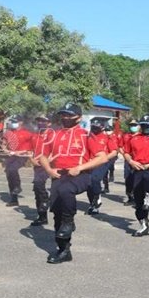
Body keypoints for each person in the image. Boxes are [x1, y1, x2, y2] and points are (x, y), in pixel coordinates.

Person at [37, 103, 108, 264]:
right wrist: (49, 170)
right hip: (58, 175)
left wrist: (80, 167)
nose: (66, 118)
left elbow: (102, 157)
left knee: (66, 191)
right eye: (63, 115)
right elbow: (42, 155)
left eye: (70, 115)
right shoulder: (53, 135)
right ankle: (64, 250)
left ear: (79, 118)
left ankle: (69, 221)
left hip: (80, 174)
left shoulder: (86, 135)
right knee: (56, 212)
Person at [85, 117, 118, 215]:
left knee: (95, 178)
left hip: (103, 162)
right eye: (93, 127)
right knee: (89, 184)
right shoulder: (88, 138)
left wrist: (104, 159)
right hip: (90, 163)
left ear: (102, 127)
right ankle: (93, 204)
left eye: (97, 127)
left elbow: (114, 152)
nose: (95, 129)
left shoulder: (107, 138)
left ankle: (97, 197)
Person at [2, 116, 34, 206]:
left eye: (15, 121)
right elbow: (3, 144)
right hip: (11, 155)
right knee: (9, 173)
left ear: (21, 122)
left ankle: (17, 187)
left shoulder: (27, 134)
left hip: (22, 156)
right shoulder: (8, 133)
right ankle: (14, 199)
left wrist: (22, 152)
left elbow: (33, 146)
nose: (12, 123)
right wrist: (6, 151)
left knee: (12, 169)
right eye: (11, 121)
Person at [29, 116, 55, 226]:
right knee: (37, 187)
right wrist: (31, 160)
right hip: (38, 165)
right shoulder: (35, 135)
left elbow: (57, 149)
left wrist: (49, 160)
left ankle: (48, 202)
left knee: (58, 190)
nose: (40, 123)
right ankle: (42, 215)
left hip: (52, 164)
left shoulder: (53, 135)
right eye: (39, 121)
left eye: (43, 121)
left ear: (49, 123)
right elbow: (29, 150)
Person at [120, 118, 140, 206]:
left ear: (139, 126)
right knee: (128, 179)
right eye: (131, 125)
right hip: (128, 160)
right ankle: (130, 197)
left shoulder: (141, 136)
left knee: (138, 179)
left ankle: (138, 198)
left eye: (135, 125)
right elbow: (120, 147)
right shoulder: (125, 136)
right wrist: (125, 155)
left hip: (138, 160)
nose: (133, 127)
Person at [103, 125, 118, 194]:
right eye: (106, 130)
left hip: (112, 156)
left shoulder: (114, 137)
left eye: (108, 130)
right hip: (105, 156)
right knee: (104, 173)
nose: (107, 132)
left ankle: (111, 174)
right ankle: (106, 187)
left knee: (111, 167)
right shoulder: (104, 137)